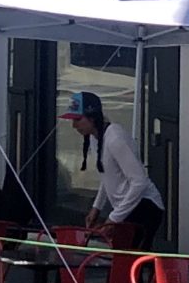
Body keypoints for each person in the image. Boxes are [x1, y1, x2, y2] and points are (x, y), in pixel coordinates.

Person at [64, 90, 164, 251]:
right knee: (121, 258)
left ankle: (152, 273)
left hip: (145, 205)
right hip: (127, 206)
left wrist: (113, 218)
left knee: (129, 259)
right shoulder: (95, 138)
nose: (74, 126)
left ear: (92, 117)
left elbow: (139, 181)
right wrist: (97, 207)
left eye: (77, 120)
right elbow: (107, 176)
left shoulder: (115, 139)